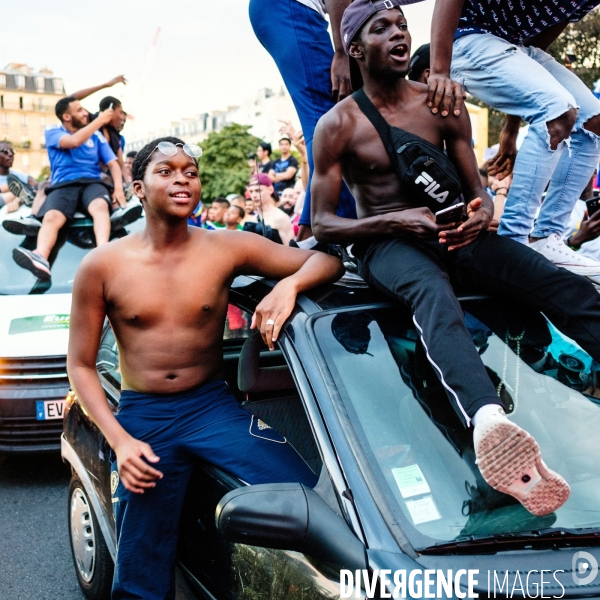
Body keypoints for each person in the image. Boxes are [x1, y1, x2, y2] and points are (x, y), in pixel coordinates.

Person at [311, 0, 600, 517]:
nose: (399, 34)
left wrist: (482, 210)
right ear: (355, 49)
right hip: (387, 243)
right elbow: (324, 224)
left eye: (402, 25)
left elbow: (479, 192)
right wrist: (395, 221)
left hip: (456, 234)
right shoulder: (338, 125)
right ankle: (490, 423)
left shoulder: (443, 102)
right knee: (433, 298)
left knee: (560, 285)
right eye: (382, 29)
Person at [67, 136, 343, 599]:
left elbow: (326, 260)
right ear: (137, 187)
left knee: (312, 504)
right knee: (140, 571)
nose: (182, 180)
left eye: (190, 172)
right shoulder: (102, 265)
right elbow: (80, 364)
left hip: (212, 408)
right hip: (144, 417)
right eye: (167, 171)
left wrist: (288, 287)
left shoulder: (227, 247)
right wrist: (122, 442)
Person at [426, 0, 600, 275]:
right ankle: (514, 240)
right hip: (468, 38)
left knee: (593, 121)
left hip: (517, 50)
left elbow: (531, 73)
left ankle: (545, 237)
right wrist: (438, 70)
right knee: (559, 109)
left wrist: (510, 129)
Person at [249, 0, 358, 242]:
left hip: (283, 11)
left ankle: (312, 234)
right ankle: (336, 236)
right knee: (331, 126)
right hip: (291, 9)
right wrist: (342, 51)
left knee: (328, 125)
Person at [11, 97, 133, 280]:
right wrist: (99, 120)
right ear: (67, 116)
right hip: (62, 184)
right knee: (52, 216)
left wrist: (117, 188)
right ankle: (40, 256)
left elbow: (114, 165)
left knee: (100, 207)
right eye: (80, 110)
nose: (85, 113)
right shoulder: (53, 131)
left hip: (93, 182)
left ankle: (102, 256)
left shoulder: (97, 136)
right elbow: (74, 141)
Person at [248, 173, 295, 246]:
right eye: (251, 191)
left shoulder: (281, 217)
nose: (254, 195)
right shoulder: (251, 219)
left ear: (270, 189)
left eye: (258, 191)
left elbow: (291, 250)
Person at [0, 141, 37, 212]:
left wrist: (18, 200)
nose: (10, 154)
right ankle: (24, 193)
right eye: (5, 151)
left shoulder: (19, 176)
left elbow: (37, 187)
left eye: (12, 151)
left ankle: (24, 193)